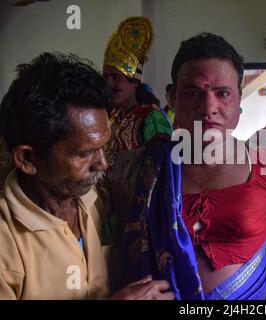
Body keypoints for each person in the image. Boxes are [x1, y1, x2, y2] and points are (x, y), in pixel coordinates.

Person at [119, 33, 266, 300]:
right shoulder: (146, 169)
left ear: (239, 99)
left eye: (222, 93)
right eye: (193, 93)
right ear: (172, 97)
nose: (209, 108)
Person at [0, 52, 174, 300]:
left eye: (104, 147)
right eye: (85, 154)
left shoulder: (93, 199)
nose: (103, 163)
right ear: (28, 159)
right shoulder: (6, 243)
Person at [102, 17, 171, 160]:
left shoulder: (151, 117)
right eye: (105, 77)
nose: (109, 84)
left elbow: (160, 166)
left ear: (134, 81)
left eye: (115, 77)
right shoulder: (113, 116)